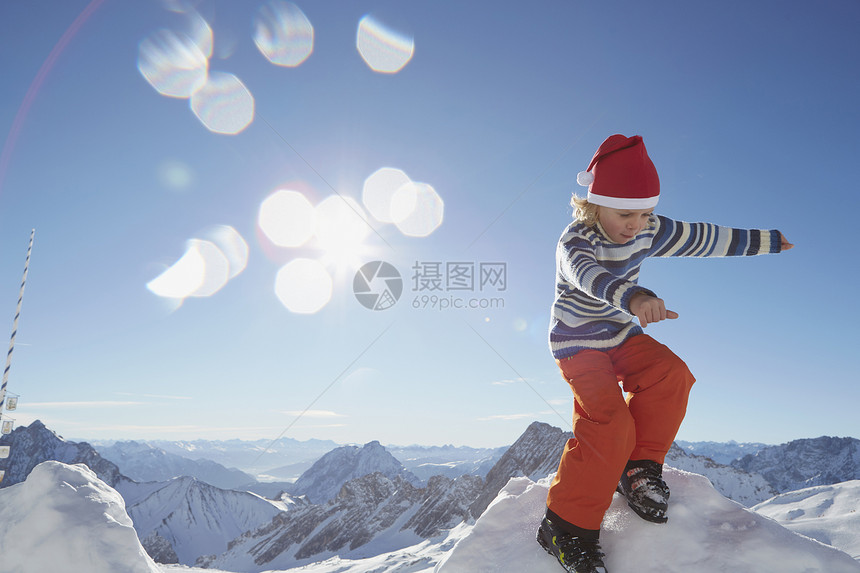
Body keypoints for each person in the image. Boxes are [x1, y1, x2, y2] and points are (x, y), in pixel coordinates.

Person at [535, 134, 793, 573]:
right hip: (578, 342)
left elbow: (701, 236)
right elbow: (588, 276)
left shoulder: (648, 229)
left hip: (619, 334)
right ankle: (564, 526)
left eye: (645, 213)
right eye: (625, 214)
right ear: (593, 203)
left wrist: (763, 240)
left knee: (670, 374)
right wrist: (634, 298)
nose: (636, 224)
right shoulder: (575, 241)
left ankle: (637, 470)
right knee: (608, 423)